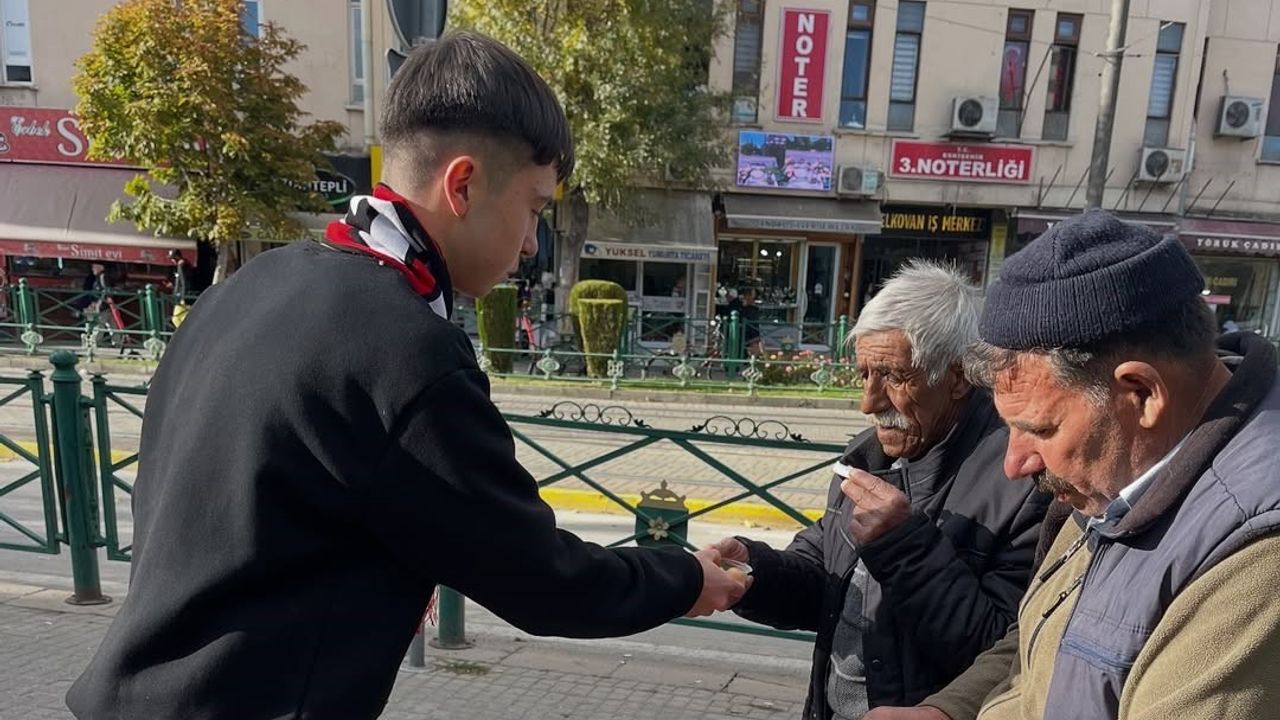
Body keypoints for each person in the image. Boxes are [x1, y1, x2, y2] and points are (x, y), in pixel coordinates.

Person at [67, 31, 745, 720]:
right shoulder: (408, 353)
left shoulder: (251, 284)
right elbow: (544, 581)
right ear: (463, 184)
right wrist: (686, 577)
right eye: (536, 208)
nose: (533, 243)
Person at [867, 210, 1280, 720]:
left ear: (1142, 394)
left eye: (1039, 429)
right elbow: (1045, 644)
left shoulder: (1257, 554)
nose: (1014, 464)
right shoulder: (1119, 478)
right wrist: (951, 711)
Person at [711, 261, 1051, 719]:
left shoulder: (1024, 481)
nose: (868, 402)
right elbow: (825, 572)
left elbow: (1004, 654)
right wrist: (754, 574)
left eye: (892, 376)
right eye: (864, 374)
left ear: (957, 377)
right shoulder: (869, 454)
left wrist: (903, 545)